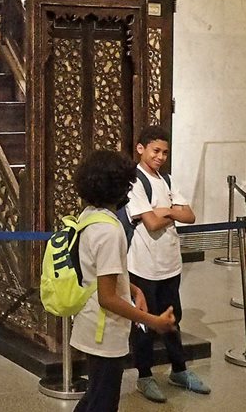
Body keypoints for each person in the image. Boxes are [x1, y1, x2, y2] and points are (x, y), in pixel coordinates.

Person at [70, 149, 176, 412]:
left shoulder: (89, 217)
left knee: (93, 397)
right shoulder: (109, 230)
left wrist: (133, 288)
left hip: (91, 323)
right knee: (103, 403)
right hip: (104, 331)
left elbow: (100, 273)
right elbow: (108, 297)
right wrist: (154, 321)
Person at [126, 125, 211, 402]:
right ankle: (144, 375)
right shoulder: (134, 182)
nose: (160, 157)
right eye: (155, 151)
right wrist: (171, 212)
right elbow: (150, 223)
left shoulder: (168, 180)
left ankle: (179, 369)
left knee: (173, 319)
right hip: (143, 265)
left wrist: (165, 211)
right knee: (145, 323)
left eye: (164, 152)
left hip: (170, 264)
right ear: (141, 149)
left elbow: (191, 216)